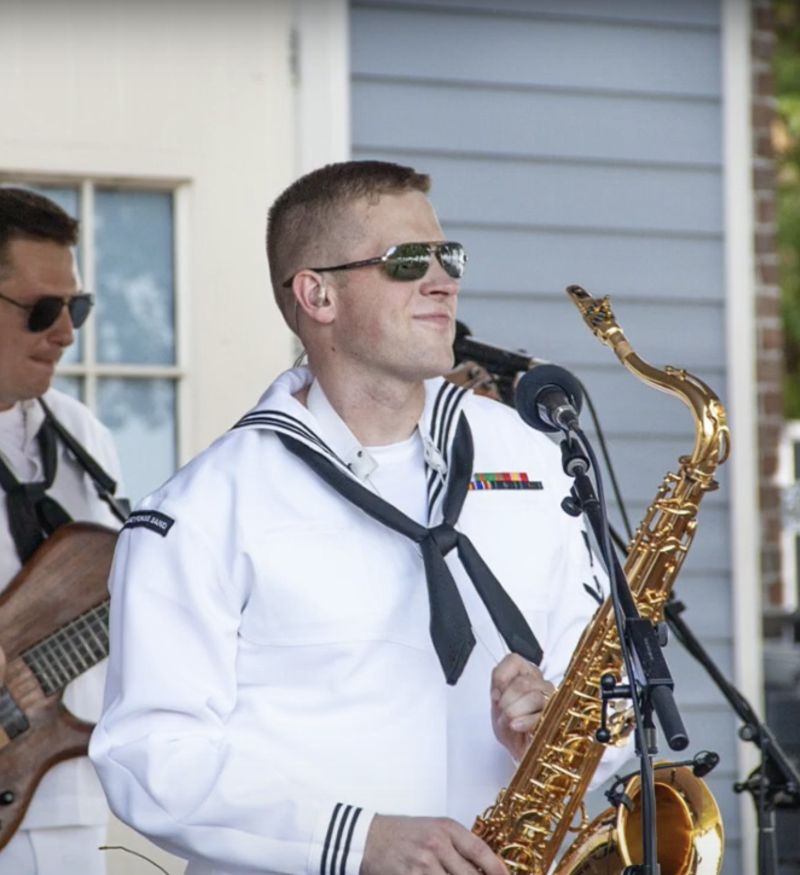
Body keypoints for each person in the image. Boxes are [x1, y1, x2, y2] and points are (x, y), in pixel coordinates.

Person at [90, 161, 620, 875]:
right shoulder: (202, 511)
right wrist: (355, 840)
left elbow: (605, 690)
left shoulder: (536, 458)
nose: (443, 280)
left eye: (448, 256)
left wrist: (563, 730)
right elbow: (148, 759)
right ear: (318, 293)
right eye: (408, 261)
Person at [0, 187, 126, 875]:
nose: (67, 333)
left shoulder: (84, 438)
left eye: (75, 308)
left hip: (68, 800)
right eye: (44, 310)